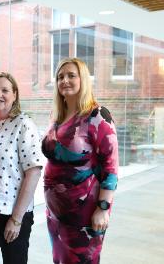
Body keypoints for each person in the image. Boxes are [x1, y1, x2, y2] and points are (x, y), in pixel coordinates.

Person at [41, 57, 119, 263]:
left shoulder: (98, 115)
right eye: (60, 77)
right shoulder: (57, 115)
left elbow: (111, 167)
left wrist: (103, 209)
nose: (64, 80)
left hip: (83, 212)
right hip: (55, 212)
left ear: (83, 79)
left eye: (71, 75)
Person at [0, 72, 44, 264]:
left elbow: (34, 172)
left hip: (11, 213)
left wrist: (16, 219)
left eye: (5, 90)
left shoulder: (24, 125)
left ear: (14, 95)